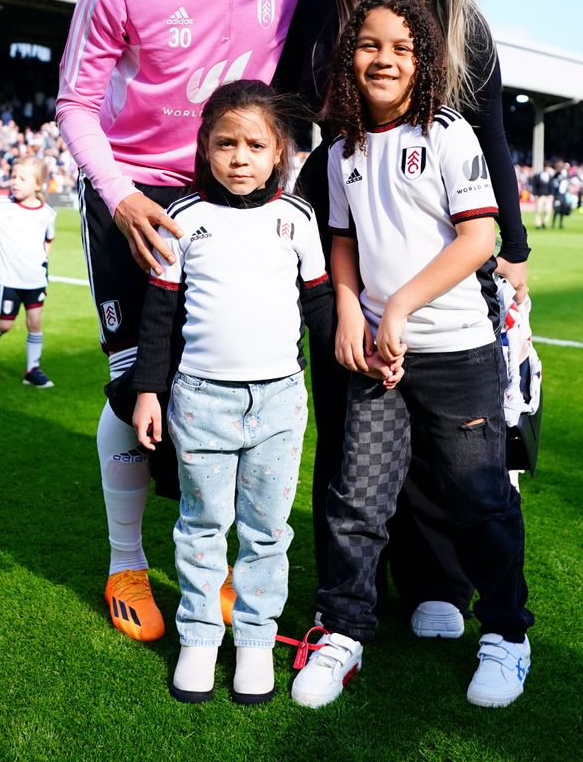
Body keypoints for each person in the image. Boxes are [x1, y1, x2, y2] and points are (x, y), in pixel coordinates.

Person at [55, 0, 310, 642]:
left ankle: (218, 565)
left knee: (227, 379)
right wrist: (122, 197)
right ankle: (125, 559)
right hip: (137, 197)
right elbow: (74, 103)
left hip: (235, 196)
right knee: (136, 382)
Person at [273, 0, 530, 631]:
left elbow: (492, 139)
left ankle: (433, 585)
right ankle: (346, 594)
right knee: (350, 412)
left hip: (435, 254)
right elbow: (288, 114)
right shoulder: (320, 6)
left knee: (436, 438)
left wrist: (511, 251)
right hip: (337, 240)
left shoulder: (455, 17)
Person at [290, 0, 534, 710]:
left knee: (479, 500)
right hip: (374, 357)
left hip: (455, 354)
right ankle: (342, 632)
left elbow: (479, 239)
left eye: (401, 48)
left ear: (423, 59)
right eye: (369, 45)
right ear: (348, 55)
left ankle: (506, 636)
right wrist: (346, 305)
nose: (384, 59)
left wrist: (398, 304)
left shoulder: (449, 133)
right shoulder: (341, 150)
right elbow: (341, 239)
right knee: (355, 500)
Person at [128, 80, 399, 704]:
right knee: (202, 524)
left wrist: (359, 358)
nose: (240, 157)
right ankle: (200, 636)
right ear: (205, 146)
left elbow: (323, 306)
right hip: (199, 400)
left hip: (279, 402)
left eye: (255, 144)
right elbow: (159, 318)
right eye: (226, 144)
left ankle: (254, 638)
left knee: (266, 530)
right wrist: (148, 392)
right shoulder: (184, 220)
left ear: (280, 151)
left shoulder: (296, 220)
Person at [0, 157, 56, 387]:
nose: (15, 182)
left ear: (38, 184)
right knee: (5, 325)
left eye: (22, 178)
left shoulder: (47, 213)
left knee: (35, 323)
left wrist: (44, 270)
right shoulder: (0, 206)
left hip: (36, 281)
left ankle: (32, 369)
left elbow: (48, 240)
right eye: (14, 177)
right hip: (10, 281)